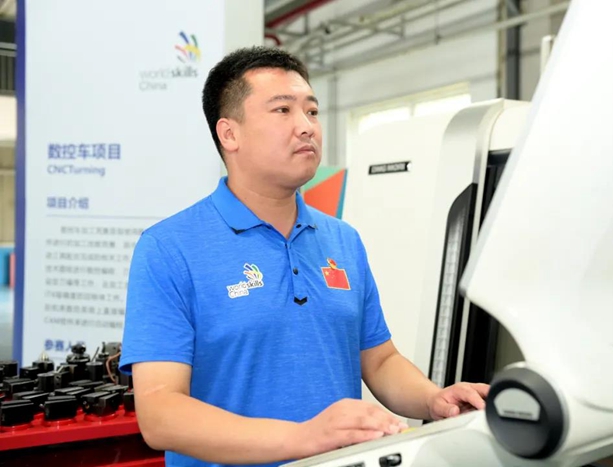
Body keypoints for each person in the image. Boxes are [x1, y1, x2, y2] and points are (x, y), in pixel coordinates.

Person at [119, 46, 489, 467]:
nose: (306, 126)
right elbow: (160, 413)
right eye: (283, 110)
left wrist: (434, 399)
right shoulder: (169, 249)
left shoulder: (342, 240)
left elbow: (380, 360)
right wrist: (303, 438)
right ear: (229, 134)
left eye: (312, 111)